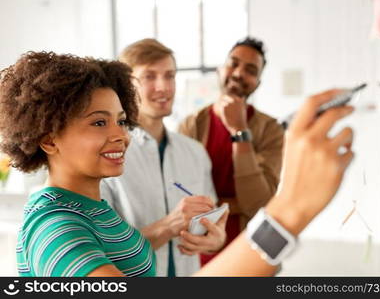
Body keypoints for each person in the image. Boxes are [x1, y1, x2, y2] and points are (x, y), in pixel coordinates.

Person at [0, 51, 354, 277]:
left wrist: (176, 226)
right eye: (98, 122)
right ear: (48, 140)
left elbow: (124, 248)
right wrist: (288, 212)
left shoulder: (92, 208)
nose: (120, 136)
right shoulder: (55, 228)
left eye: (121, 121)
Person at [100, 39, 227, 277]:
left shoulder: (195, 153)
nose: (163, 87)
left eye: (169, 76)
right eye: (149, 77)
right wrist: (169, 226)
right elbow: (106, 252)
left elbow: (211, 223)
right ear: (127, 86)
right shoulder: (108, 156)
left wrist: (216, 239)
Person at [179, 37, 284, 265]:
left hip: (251, 250)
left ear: (257, 82)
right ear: (220, 69)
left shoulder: (271, 130)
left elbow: (258, 203)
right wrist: (234, 204)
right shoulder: (191, 125)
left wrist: (239, 131)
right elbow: (182, 194)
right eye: (233, 63)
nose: (238, 73)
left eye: (250, 70)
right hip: (199, 250)